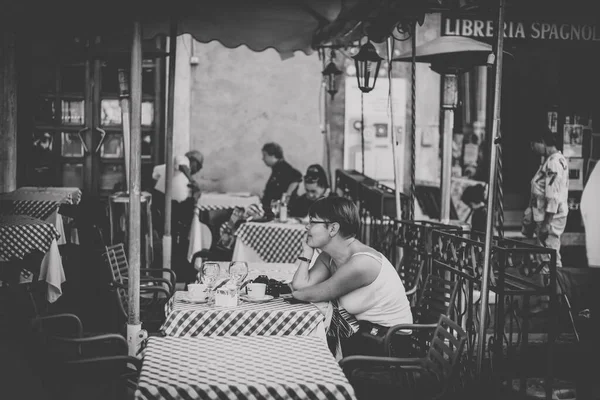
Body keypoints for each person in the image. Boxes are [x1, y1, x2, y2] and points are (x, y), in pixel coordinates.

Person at [291, 197, 412, 356]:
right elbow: (300, 286)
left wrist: (297, 292)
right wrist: (306, 254)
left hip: (389, 342)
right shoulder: (329, 257)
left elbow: (304, 294)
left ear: (333, 228)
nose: (307, 226)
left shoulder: (361, 263)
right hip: (363, 333)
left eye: (313, 222)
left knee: (309, 349)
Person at [524, 128, 569, 268]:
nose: (532, 148)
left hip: (549, 218)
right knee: (545, 257)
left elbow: (552, 196)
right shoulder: (554, 160)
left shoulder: (553, 163)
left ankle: (554, 288)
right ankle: (552, 287)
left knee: (548, 258)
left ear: (542, 142)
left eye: (533, 144)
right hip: (545, 217)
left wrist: (546, 224)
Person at [151, 150, 204, 237]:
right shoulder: (184, 159)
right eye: (198, 166)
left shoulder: (177, 170)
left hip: (171, 203)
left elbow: (155, 173)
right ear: (193, 161)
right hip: (163, 199)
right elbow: (182, 164)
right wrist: (192, 181)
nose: (197, 170)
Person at [261, 142, 302, 218]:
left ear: (273, 155)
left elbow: (297, 176)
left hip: (283, 212)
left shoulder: (283, 167)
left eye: (264, 155)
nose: (263, 159)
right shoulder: (276, 169)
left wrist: (288, 194)